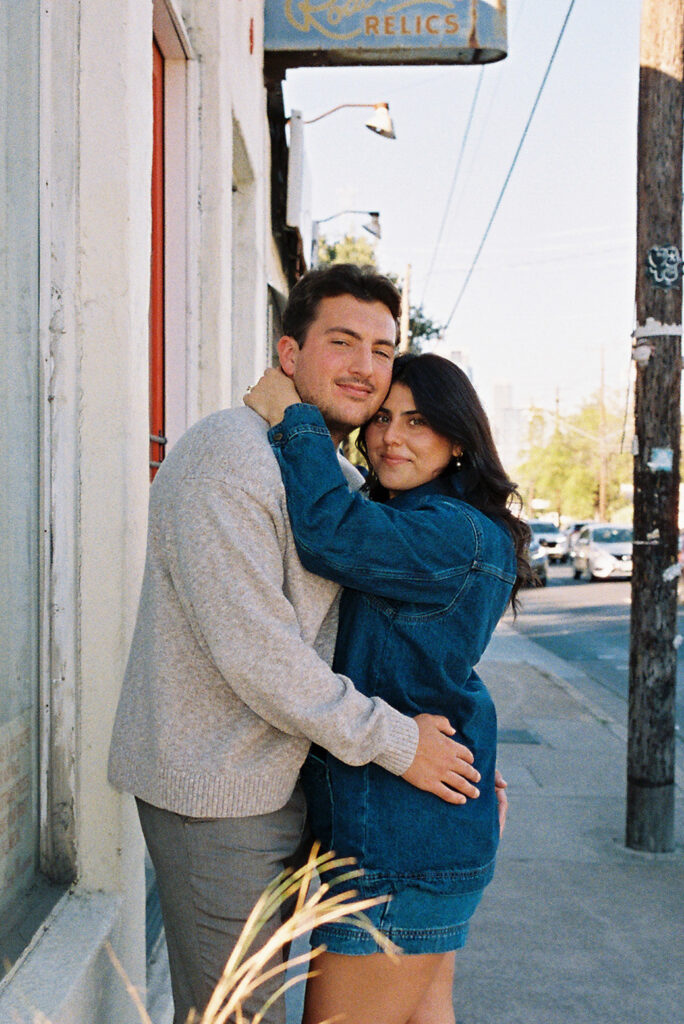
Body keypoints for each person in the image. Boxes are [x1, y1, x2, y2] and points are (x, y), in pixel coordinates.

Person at [107, 265, 485, 1024]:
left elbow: (383, 639)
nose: (365, 368)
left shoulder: (328, 472)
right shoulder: (230, 455)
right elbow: (261, 654)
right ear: (288, 354)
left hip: (299, 781)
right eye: (341, 342)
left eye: (382, 350)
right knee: (234, 1016)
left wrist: (468, 748)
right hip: (219, 794)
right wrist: (400, 743)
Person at [244, 351, 532, 1024]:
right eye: (380, 418)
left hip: (400, 850)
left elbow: (330, 533)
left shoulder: (451, 532)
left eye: (418, 422)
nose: (389, 437)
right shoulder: (436, 519)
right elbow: (428, 664)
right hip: (418, 833)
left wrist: (294, 416)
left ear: (459, 439)